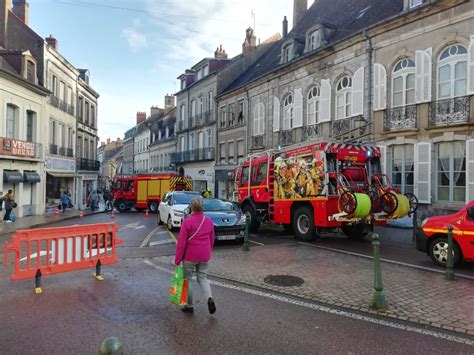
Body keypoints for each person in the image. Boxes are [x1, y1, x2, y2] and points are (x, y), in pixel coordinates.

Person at [174, 198, 216, 314]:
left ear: (191, 208)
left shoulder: (187, 222)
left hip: (190, 256)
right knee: (202, 277)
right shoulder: (208, 221)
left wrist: (177, 260)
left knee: (187, 280)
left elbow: (181, 243)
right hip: (205, 255)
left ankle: (189, 305)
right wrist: (207, 251)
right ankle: (209, 298)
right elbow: (211, 239)